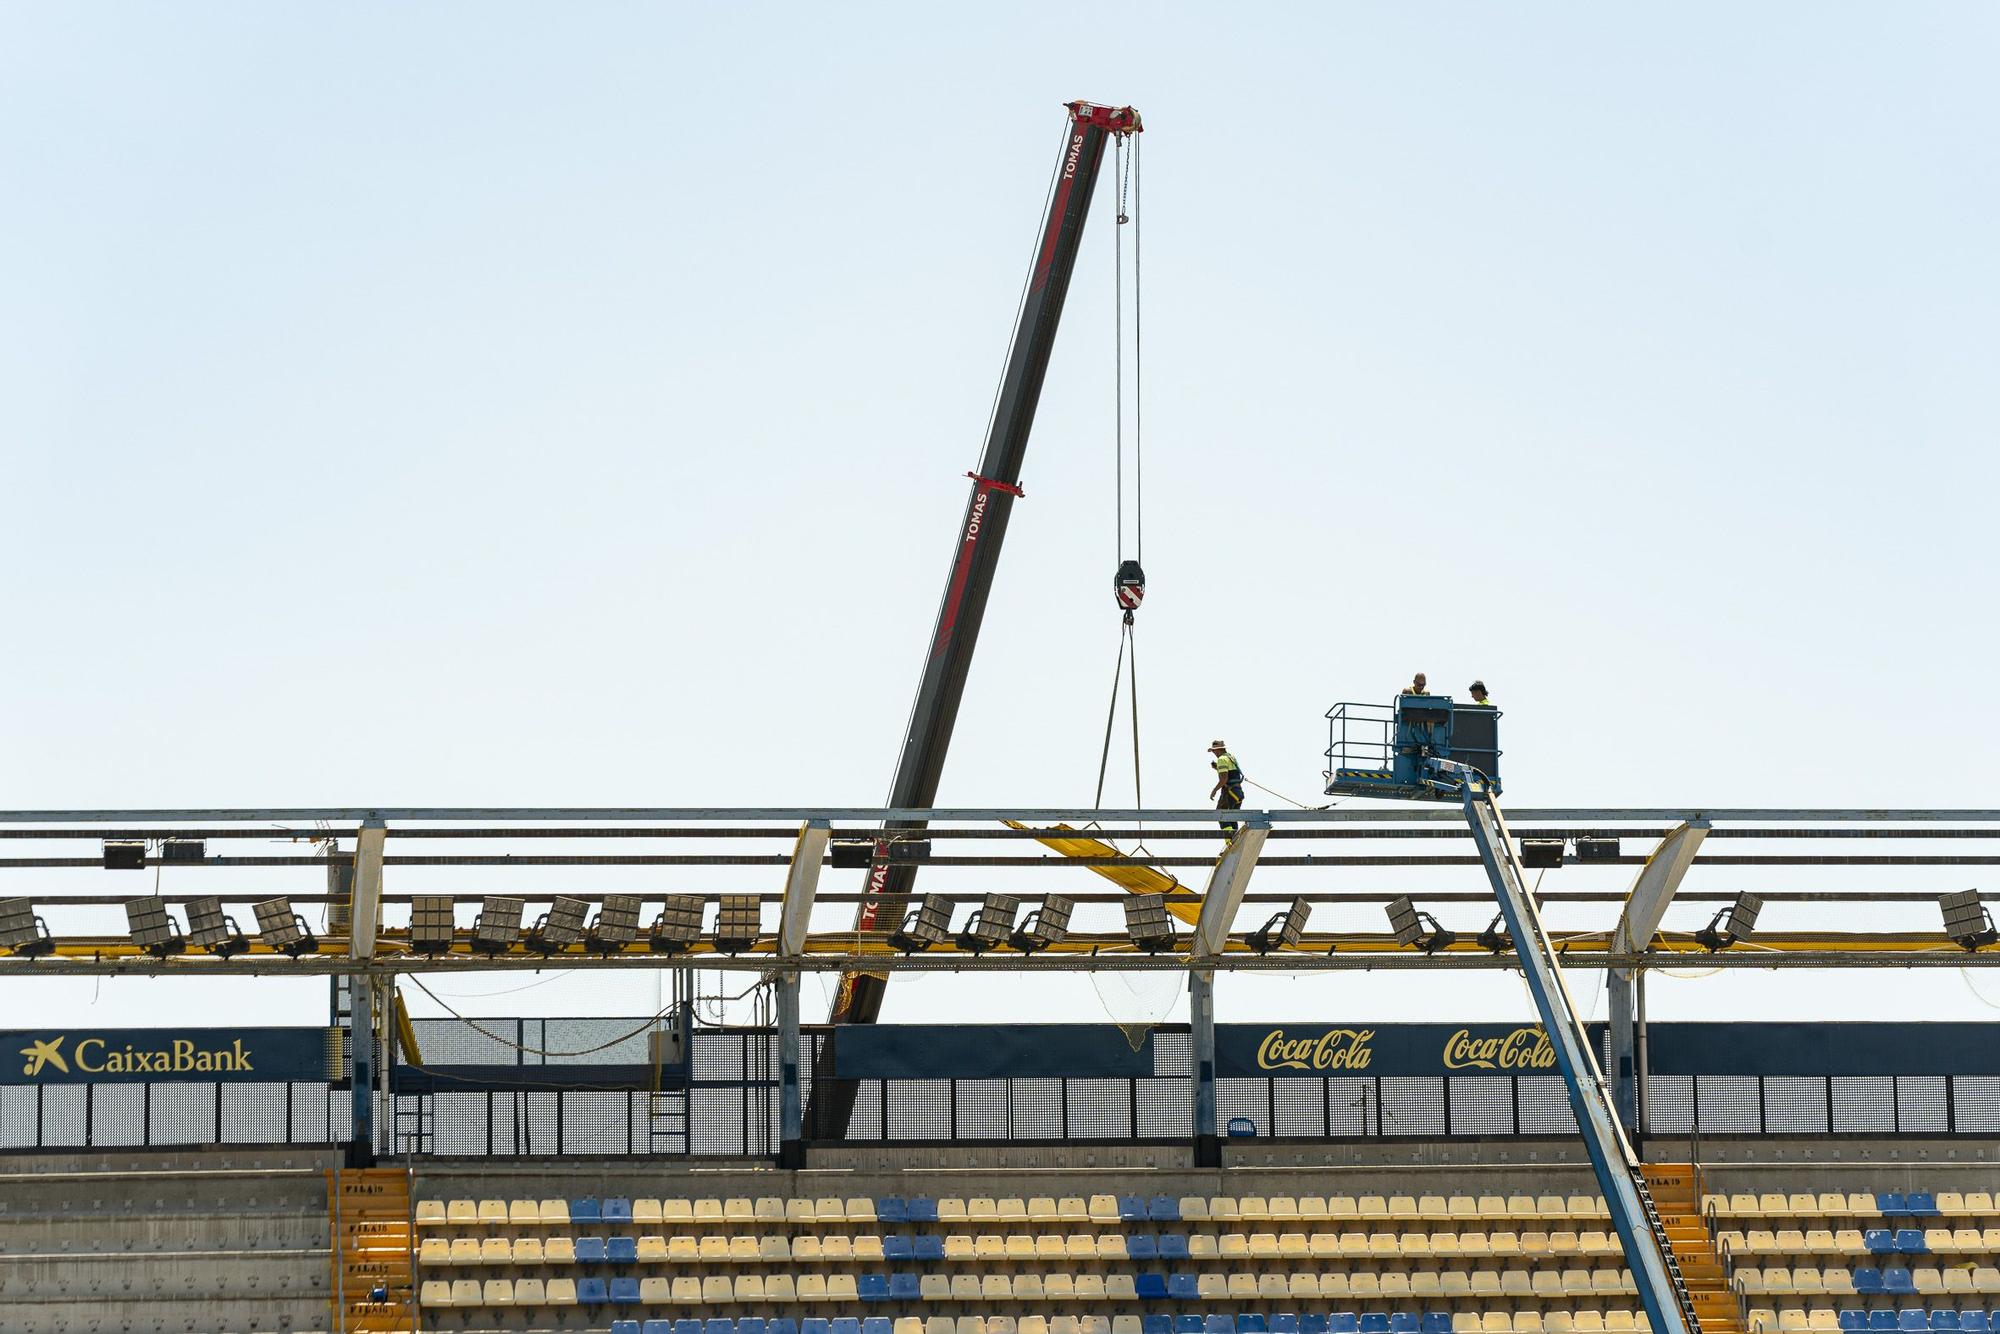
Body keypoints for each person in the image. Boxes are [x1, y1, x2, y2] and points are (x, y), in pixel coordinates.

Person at [1207, 740, 1244, 833]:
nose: (1214, 753)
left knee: (1221, 814)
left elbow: (1224, 779)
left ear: (1218, 750)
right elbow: (1232, 774)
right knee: (1232, 817)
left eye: (1214, 751)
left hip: (1229, 792)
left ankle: (1229, 837)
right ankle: (1235, 837)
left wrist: (1214, 790)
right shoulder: (1230, 757)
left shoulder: (1221, 759)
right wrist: (1217, 768)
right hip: (1238, 792)